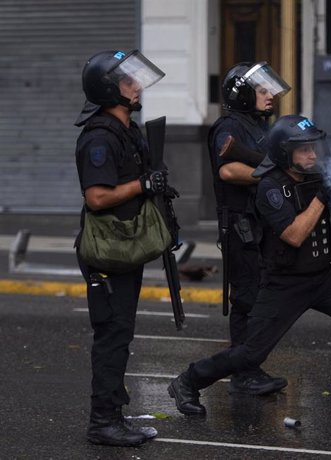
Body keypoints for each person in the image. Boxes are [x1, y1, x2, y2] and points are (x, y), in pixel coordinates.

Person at [168, 115, 331, 422]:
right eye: (304, 149)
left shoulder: (317, 177)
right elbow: (294, 235)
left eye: (314, 147)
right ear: (285, 153)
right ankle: (188, 381)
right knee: (250, 354)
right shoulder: (270, 188)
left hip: (323, 277)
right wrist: (323, 196)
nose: (313, 154)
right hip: (285, 282)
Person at [74, 49, 167, 446]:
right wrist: (144, 185)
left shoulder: (128, 129)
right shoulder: (99, 137)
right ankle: (102, 423)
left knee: (121, 333)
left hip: (124, 246)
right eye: (129, 80)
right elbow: (97, 197)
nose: (138, 85)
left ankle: (114, 411)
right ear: (110, 90)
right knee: (112, 335)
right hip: (107, 251)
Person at [207, 62, 290, 395]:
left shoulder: (258, 126)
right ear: (241, 94)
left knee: (260, 297)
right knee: (246, 300)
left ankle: (250, 365)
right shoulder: (229, 126)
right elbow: (228, 171)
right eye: (262, 90)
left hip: (260, 225)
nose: (270, 96)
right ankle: (243, 373)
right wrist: (271, 174)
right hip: (241, 227)